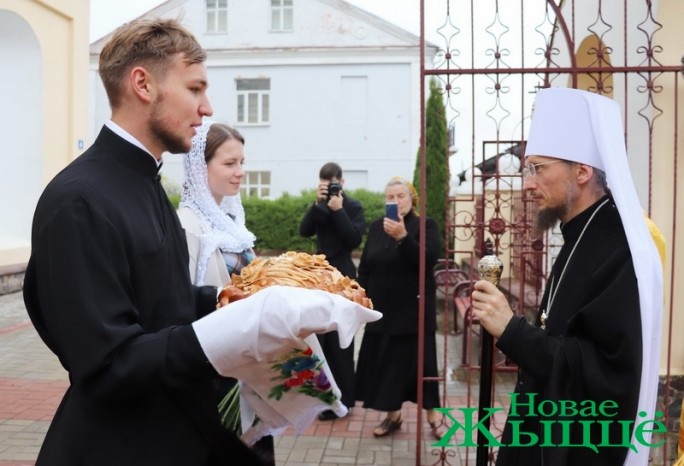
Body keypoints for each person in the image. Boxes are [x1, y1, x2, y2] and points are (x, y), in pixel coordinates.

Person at [22, 18, 379, 466]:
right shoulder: (79, 201)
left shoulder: (145, 183)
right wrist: (235, 328)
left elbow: (163, 303)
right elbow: (108, 366)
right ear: (143, 84)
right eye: (195, 89)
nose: (207, 108)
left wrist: (247, 302)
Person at [471, 88, 663, 466]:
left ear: (582, 171)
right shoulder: (581, 231)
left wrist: (512, 330)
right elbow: (563, 336)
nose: (527, 183)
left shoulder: (619, 247)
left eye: (538, 168)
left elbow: (608, 372)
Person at [178, 121, 274, 465]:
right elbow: (184, 302)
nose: (240, 173)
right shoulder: (188, 226)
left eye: (242, 162)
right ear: (199, 167)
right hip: (216, 375)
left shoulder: (230, 223)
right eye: (229, 164)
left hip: (247, 371)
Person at [354, 176, 447, 439]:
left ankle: (433, 415)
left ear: (412, 199)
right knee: (388, 366)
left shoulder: (425, 225)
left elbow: (427, 260)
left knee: (422, 366)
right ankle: (392, 416)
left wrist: (404, 237)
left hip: (414, 312)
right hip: (383, 311)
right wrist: (359, 296)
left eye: (400, 196)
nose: (395, 201)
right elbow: (367, 266)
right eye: (390, 197)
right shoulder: (376, 227)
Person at [299, 162, 365, 420]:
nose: (331, 188)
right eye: (326, 184)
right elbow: (304, 231)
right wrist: (316, 206)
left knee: (342, 339)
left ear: (342, 181)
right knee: (321, 340)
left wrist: (338, 212)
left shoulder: (353, 206)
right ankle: (324, 399)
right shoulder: (319, 206)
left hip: (345, 278)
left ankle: (345, 399)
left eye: (334, 183)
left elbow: (354, 239)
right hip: (320, 277)